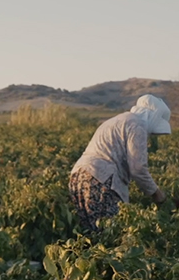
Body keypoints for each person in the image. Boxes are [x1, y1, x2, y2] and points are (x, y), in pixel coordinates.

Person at [69, 94, 171, 232]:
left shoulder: (119, 119)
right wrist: (155, 192)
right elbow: (138, 168)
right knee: (109, 234)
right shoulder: (137, 125)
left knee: (91, 234)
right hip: (102, 179)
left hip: (80, 175)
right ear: (152, 117)